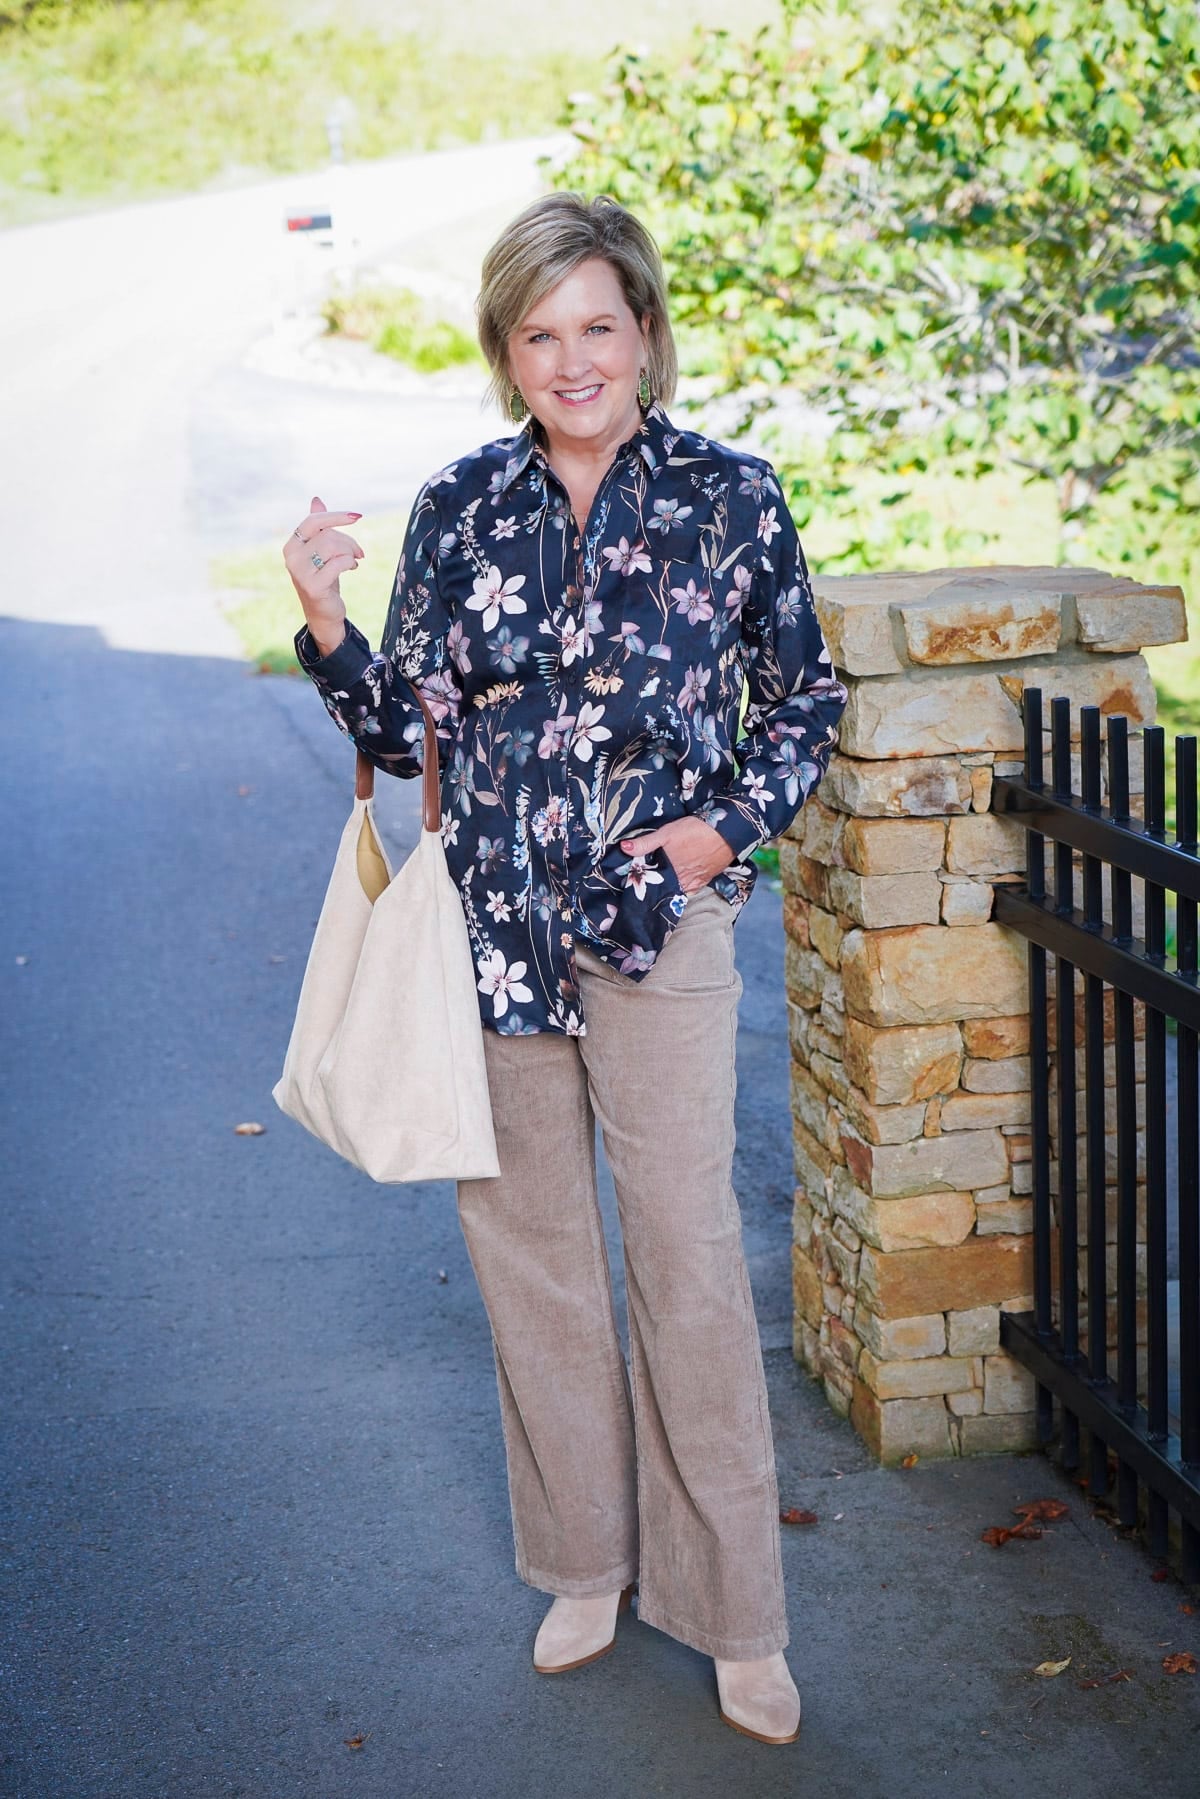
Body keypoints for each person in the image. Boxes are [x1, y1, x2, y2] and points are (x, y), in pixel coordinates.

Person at [282, 192, 847, 1747]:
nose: (572, 359)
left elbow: (804, 701)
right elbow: (408, 731)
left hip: (660, 929)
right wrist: (326, 620)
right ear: (507, 352)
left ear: (646, 334)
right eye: (539, 334)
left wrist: (710, 835)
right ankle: (585, 1567)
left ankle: (735, 1616)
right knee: (533, 1260)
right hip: (493, 930)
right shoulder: (462, 504)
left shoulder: (731, 495)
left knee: (686, 1261)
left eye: (599, 325)